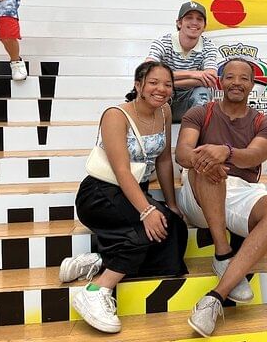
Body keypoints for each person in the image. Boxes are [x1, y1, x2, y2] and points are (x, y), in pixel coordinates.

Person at [59, 61, 188, 333]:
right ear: (138, 85)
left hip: (135, 191)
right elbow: (121, 170)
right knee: (143, 232)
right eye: (154, 82)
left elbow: (164, 159)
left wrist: (171, 204)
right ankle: (96, 290)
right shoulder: (115, 115)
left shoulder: (164, 111)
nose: (161, 89)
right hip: (101, 192)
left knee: (174, 229)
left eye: (167, 84)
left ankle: (99, 261)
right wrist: (147, 211)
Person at [175, 58, 267, 337]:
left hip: (241, 192)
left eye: (243, 78)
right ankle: (222, 252)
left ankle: (215, 297)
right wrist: (206, 157)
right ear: (220, 81)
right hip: (198, 195)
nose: (236, 83)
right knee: (208, 166)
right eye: (230, 77)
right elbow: (183, 153)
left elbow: (256, 154)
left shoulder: (264, 123)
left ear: (252, 85)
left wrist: (226, 151)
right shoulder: (200, 112)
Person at [146, 1, 219, 122]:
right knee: (152, 89)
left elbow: (211, 79)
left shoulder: (209, 46)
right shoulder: (163, 42)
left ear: (204, 26)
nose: (194, 22)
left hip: (189, 100)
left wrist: (165, 81)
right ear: (179, 23)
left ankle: (196, 130)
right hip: (164, 97)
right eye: (189, 18)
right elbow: (147, 71)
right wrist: (193, 74)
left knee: (202, 93)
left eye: (199, 19)